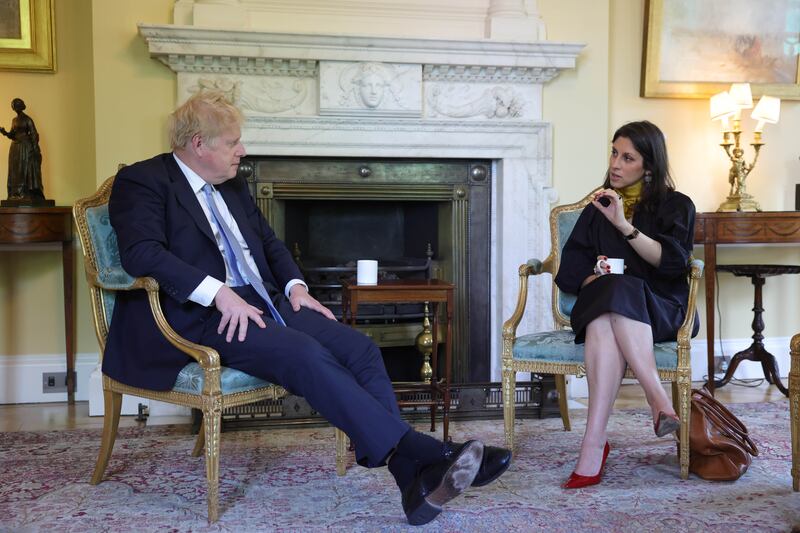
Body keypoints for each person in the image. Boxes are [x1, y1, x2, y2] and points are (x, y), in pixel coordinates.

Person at [106, 90, 511, 525]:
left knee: (360, 349)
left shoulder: (234, 183)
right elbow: (142, 254)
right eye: (232, 143)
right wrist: (219, 292)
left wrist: (297, 286)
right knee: (304, 353)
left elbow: (267, 242)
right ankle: (426, 453)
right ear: (198, 144)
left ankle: (411, 478)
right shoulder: (143, 180)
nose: (242, 151)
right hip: (202, 312)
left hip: (265, 300)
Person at [554, 120, 698, 489]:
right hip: (607, 306)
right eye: (614, 153)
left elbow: (672, 262)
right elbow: (568, 269)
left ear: (648, 167)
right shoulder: (595, 206)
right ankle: (657, 401)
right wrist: (594, 278)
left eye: (628, 157)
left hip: (663, 309)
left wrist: (623, 226)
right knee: (610, 298)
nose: (616, 163)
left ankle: (593, 447)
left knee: (615, 299)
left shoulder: (676, 206)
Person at [0, 98, 45, 201]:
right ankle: (15, 193)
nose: (14, 108)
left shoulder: (27, 119)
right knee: (15, 170)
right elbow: (12, 134)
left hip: (25, 146)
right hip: (15, 148)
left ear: (20, 106)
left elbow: (34, 134)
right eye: (13, 106)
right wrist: (4, 132)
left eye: (16, 105)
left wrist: (34, 148)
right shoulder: (14, 120)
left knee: (24, 169)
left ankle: (26, 193)